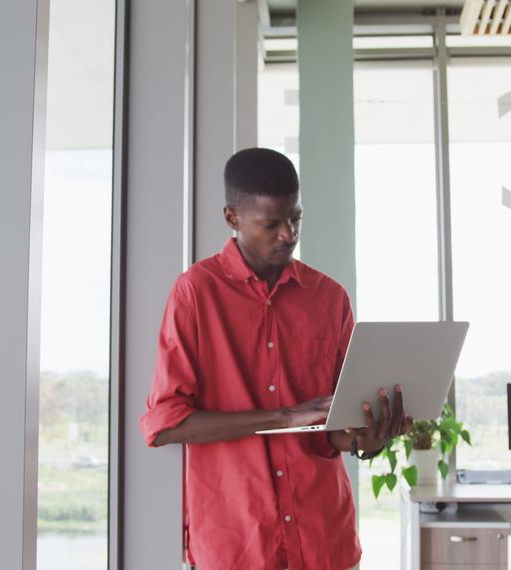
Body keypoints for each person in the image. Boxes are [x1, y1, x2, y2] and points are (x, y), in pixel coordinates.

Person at [140, 148, 412, 569]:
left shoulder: (330, 299)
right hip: (236, 546)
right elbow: (166, 422)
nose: (288, 234)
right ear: (232, 218)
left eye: (296, 218)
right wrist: (284, 416)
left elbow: (334, 430)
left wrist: (369, 440)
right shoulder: (195, 294)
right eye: (271, 224)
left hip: (325, 541)